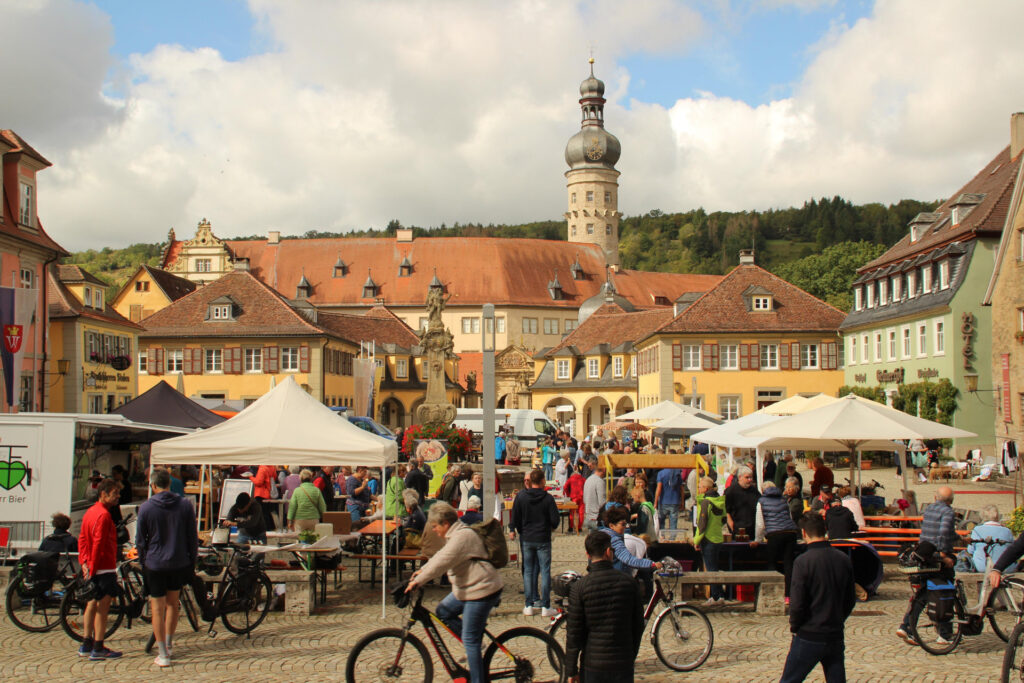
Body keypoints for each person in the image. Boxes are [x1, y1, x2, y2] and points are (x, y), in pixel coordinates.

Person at [406, 502, 503, 683]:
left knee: (470, 638)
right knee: (443, 611)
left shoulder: (462, 536)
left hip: (482, 589)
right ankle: (476, 640)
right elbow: (441, 556)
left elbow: (444, 560)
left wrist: (418, 581)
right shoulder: (455, 534)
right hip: (467, 588)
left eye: (435, 526)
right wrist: (421, 571)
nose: (434, 530)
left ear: (445, 524)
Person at [780, 513, 857, 683]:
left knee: (789, 680)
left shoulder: (803, 562)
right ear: (826, 530)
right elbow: (850, 599)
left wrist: (795, 625)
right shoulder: (843, 559)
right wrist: (838, 618)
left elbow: (797, 602)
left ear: (804, 533)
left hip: (809, 634)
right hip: (835, 633)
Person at [136, 468, 200, 668]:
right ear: (170, 483)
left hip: (155, 563)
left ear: (153, 485)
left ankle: (163, 652)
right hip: (178, 561)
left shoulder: (146, 508)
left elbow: (140, 540)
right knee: (173, 604)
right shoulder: (184, 506)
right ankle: (170, 643)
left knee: (157, 609)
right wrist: (192, 559)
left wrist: (143, 560)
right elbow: (192, 536)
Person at [565, 531, 645, 683]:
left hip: (592, 663)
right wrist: (631, 654)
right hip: (623, 662)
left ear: (587, 554)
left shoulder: (579, 587)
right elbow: (638, 625)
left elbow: (574, 633)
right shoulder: (629, 583)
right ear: (609, 552)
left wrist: (571, 669)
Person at [898, 486, 956, 644]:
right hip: (937, 557)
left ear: (936, 497)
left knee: (923, 593)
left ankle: (906, 626)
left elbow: (934, 531)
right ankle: (944, 634)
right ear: (951, 500)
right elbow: (944, 533)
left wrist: (960, 539)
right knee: (944, 591)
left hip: (924, 555)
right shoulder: (948, 512)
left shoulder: (930, 509)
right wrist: (944, 555)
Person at [76, 479, 123, 660]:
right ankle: (98, 646)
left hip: (92, 565)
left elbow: (82, 538)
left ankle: (86, 643)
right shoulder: (103, 515)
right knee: (103, 608)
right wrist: (93, 568)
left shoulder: (90, 511)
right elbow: (98, 544)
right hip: (103, 567)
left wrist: (84, 563)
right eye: (115, 493)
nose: (117, 497)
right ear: (104, 494)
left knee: (91, 605)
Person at [509, 469, 560, 616]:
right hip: (543, 537)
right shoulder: (548, 499)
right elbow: (555, 521)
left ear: (530, 481)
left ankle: (528, 605)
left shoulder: (521, 497)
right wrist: (548, 527)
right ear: (543, 480)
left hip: (527, 537)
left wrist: (517, 529)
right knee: (545, 572)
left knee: (528, 571)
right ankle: (545, 606)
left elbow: (515, 517)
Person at [753, 481, 800, 600]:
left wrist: (758, 539)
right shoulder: (783, 499)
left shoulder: (761, 501)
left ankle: (773, 595)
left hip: (774, 533)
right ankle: (788, 595)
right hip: (790, 532)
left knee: (772, 563)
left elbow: (760, 524)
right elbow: (790, 517)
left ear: (763, 491)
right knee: (789, 564)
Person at [600, 505, 663, 576]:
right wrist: (651, 564)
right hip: (615, 577)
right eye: (623, 524)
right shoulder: (614, 540)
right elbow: (628, 559)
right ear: (611, 526)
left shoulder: (601, 535)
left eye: (626, 524)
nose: (625, 527)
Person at [694, 476, 727, 605]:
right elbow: (723, 519)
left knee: (711, 568)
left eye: (700, 487)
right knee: (715, 566)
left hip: (708, 538)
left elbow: (702, 524)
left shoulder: (705, 502)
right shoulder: (719, 500)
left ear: (706, 489)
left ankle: (716, 596)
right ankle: (719, 595)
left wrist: (696, 540)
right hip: (718, 537)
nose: (698, 489)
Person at [969, 504, 1014, 572]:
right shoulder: (1007, 531)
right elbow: (1012, 549)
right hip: (1006, 567)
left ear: (982, 515)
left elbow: (970, 550)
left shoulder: (977, 530)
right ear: (997, 516)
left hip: (983, 567)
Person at [725, 466, 760, 540]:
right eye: (747, 477)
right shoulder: (731, 491)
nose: (750, 480)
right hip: (737, 528)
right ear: (740, 477)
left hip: (752, 529)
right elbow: (725, 510)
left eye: (751, 477)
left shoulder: (754, 491)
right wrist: (731, 524)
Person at [654, 467, 684, 532]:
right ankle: (672, 539)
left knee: (661, 521)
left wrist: (655, 502)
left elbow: (659, 489)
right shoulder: (677, 473)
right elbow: (681, 489)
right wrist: (682, 501)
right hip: (675, 501)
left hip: (663, 501)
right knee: (673, 522)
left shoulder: (661, 473)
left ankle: (662, 537)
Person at [582, 462, 606, 532]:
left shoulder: (588, 480)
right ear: (603, 470)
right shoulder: (599, 481)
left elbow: (584, 499)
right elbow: (602, 502)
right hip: (596, 518)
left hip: (588, 516)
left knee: (592, 541)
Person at [563, 463, 586, 534]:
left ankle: (571, 527)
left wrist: (568, 494)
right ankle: (579, 528)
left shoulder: (571, 478)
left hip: (573, 497)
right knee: (581, 513)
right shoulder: (583, 478)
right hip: (581, 496)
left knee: (572, 513)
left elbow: (565, 487)